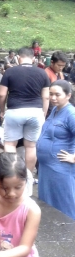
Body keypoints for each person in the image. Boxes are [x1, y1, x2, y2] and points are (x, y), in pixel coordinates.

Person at [0, 47, 50, 188]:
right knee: (31, 146)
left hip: (15, 110)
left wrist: (2, 111)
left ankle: (11, 176)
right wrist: (43, 114)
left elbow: (2, 94)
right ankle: (28, 177)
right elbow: (45, 96)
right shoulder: (42, 73)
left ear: (19, 58)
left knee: (9, 144)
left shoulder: (10, 72)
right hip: (35, 111)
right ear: (33, 58)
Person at [37, 80, 75, 219]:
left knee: (64, 203)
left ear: (68, 95)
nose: (53, 98)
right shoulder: (55, 110)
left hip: (60, 168)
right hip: (46, 167)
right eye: (51, 94)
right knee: (48, 201)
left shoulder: (71, 114)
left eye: (57, 95)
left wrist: (73, 157)